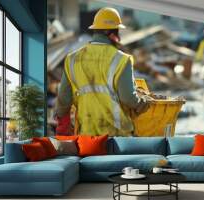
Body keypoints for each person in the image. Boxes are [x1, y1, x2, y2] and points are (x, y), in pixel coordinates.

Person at [55, 7, 148, 136]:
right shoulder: (122, 59)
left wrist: (61, 121)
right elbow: (128, 98)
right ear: (111, 33)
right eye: (118, 32)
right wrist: (142, 103)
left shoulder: (72, 59)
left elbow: (63, 98)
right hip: (116, 135)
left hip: (86, 136)